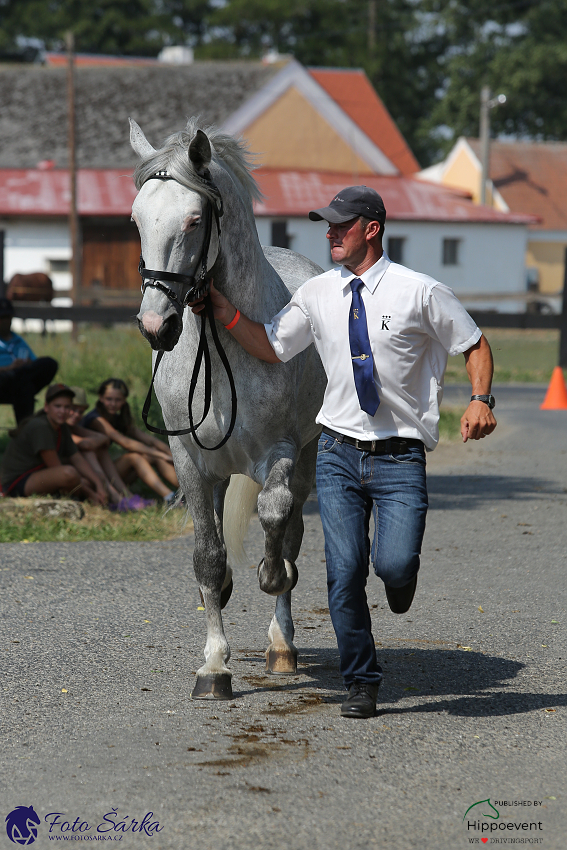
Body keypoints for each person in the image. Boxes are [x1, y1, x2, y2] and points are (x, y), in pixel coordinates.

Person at [190, 185, 497, 719]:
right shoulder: (316, 293)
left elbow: (473, 344)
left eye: (340, 225)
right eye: (326, 225)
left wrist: (478, 399)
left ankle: (400, 579)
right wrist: (225, 312)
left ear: (371, 229)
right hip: (335, 452)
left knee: (394, 565)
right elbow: (272, 345)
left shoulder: (419, 291)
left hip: (399, 458)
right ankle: (362, 680)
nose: (329, 233)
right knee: (344, 572)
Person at [1, 383, 108, 504]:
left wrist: (98, 484)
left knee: (83, 480)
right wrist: (91, 494)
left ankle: (77, 495)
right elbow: (56, 468)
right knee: (69, 474)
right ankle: (84, 499)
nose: (62, 411)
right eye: (58, 406)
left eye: (67, 407)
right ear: (47, 407)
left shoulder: (61, 427)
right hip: (17, 482)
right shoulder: (40, 427)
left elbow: (76, 457)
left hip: (37, 476)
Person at [82, 378, 179, 504]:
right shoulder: (96, 419)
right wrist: (160, 454)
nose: (113, 404)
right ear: (100, 398)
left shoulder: (117, 418)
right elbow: (125, 443)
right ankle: (170, 498)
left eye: (118, 400)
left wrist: (171, 455)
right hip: (94, 473)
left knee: (154, 454)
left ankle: (189, 490)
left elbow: (150, 440)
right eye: (109, 399)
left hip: (109, 472)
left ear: (123, 401)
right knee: (134, 457)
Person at [66, 386, 130, 505]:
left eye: (80, 412)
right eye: (73, 409)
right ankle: (116, 497)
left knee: (98, 450)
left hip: (82, 475)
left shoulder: (73, 428)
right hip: (67, 477)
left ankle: (126, 497)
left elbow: (104, 438)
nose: (76, 415)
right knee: (89, 452)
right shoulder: (59, 429)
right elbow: (85, 444)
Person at [0, 297, 58, 423]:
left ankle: (24, 433)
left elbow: (34, 364)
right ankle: (25, 432)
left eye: (7, 318)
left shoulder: (19, 340)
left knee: (49, 363)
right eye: (2, 318)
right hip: (2, 382)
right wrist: (9, 369)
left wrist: (25, 365)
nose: (5, 322)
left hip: (18, 383)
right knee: (25, 387)